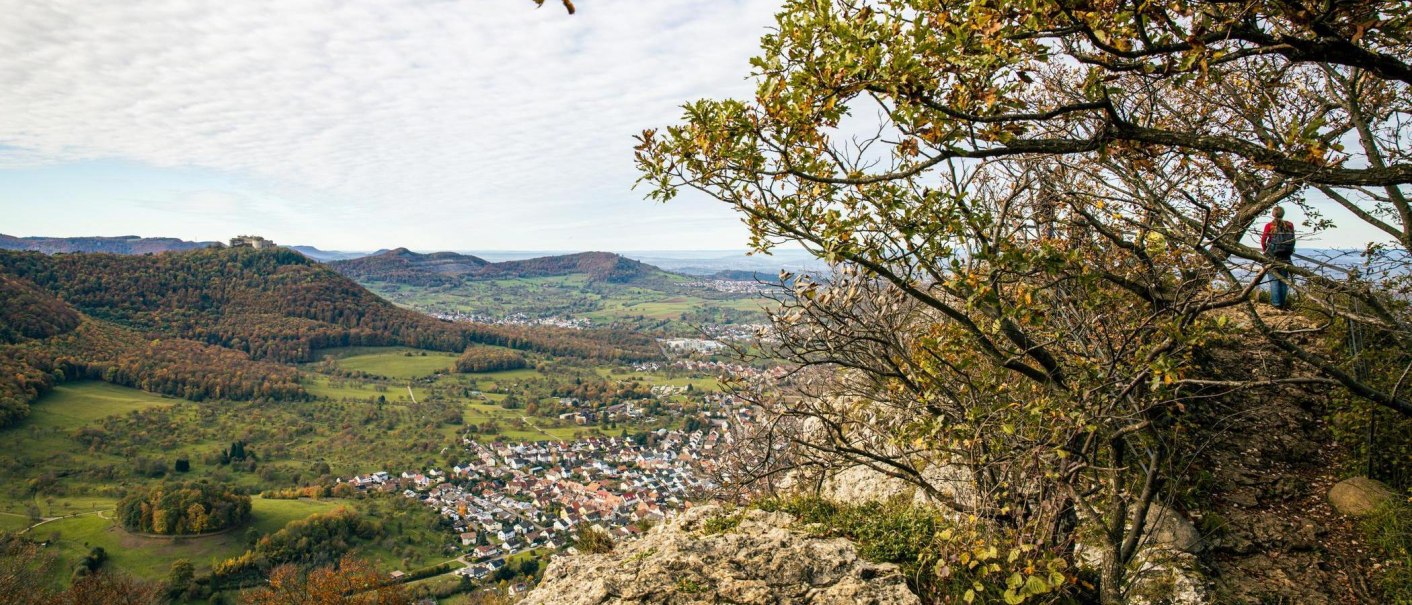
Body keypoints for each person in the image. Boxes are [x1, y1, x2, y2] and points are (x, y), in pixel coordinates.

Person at [1260, 206, 1296, 309]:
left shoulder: (1269, 225)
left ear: (1273, 214)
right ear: (1283, 213)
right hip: (1285, 256)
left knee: (1274, 280)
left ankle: (1276, 304)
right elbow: (1293, 239)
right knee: (1284, 280)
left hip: (1272, 255)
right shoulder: (1290, 225)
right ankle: (1282, 304)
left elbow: (1263, 240)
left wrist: (1265, 251)